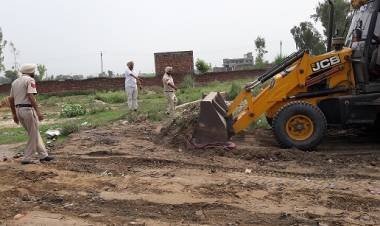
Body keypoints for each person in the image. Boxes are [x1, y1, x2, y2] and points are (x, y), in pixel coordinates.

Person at [8, 64, 54, 165]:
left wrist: (14, 114)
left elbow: (10, 99)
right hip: (27, 110)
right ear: (31, 72)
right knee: (33, 134)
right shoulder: (30, 80)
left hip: (18, 110)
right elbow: (30, 96)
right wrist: (38, 111)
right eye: (34, 71)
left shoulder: (15, 82)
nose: (34, 73)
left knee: (34, 133)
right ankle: (27, 157)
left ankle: (43, 155)